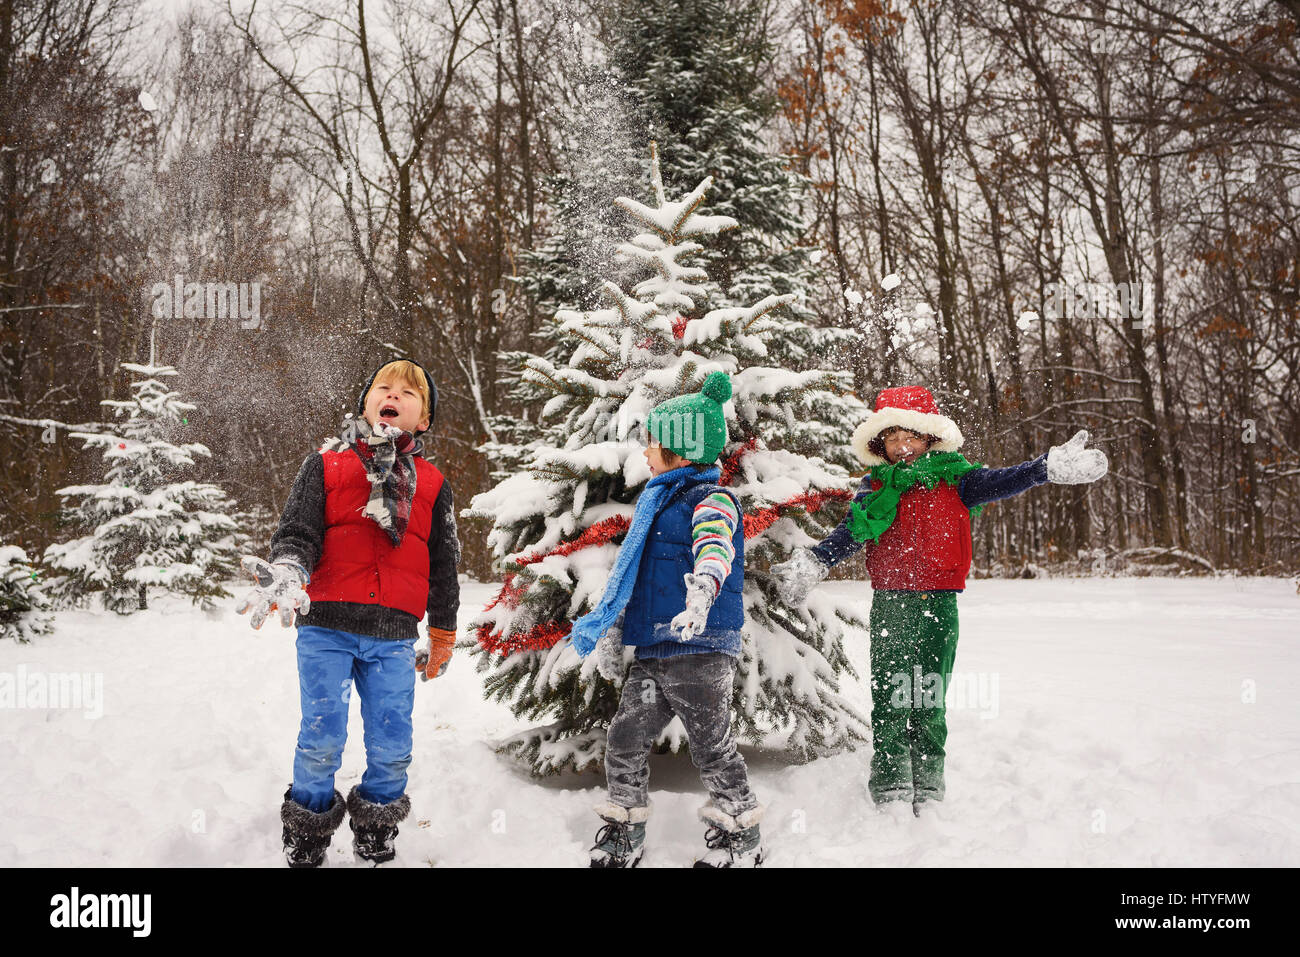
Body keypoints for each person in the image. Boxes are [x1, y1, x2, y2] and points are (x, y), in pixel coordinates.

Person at [771, 385, 1108, 814]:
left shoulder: (957, 478)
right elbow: (851, 533)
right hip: (892, 599)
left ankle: (928, 782)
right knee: (893, 692)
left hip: (939, 600)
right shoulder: (875, 486)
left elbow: (1004, 480)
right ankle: (891, 782)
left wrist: (1043, 468)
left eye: (908, 435)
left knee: (928, 694)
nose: (900, 445)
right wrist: (817, 561)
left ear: (929, 437)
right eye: (891, 438)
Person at [236, 358, 461, 866]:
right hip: (327, 630)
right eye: (384, 387)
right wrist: (289, 571)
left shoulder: (432, 484)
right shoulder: (327, 465)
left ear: (423, 419)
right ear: (366, 403)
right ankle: (309, 827)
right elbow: (296, 534)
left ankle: (377, 821)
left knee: (391, 740)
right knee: (322, 734)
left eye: (408, 393)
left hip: (394, 637)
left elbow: (444, 564)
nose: (393, 394)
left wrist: (443, 629)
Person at [570, 371, 763, 867]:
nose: (646, 452)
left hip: (700, 649)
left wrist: (703, 590)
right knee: (626, 738)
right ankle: (624, 828)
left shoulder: (711, 498)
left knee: (712, 748)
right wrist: (615, 629)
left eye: (653, 443)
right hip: (655, 650)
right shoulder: (656, 504)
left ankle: (741, 837)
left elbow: (714, 546)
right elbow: (636, 577)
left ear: (680, 450)